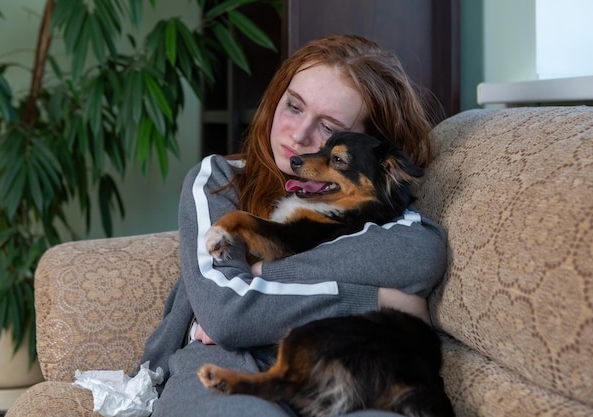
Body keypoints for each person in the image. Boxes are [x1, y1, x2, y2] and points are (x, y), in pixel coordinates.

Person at [140, 34, 447, 417]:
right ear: (277, 98)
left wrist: (259, 272)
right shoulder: (220, 179)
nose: (300, 137)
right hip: (224, 363)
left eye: (328, 128)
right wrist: (377, 298)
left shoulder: (377, 207)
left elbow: (421, 255)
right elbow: (227, 317)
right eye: (294, 106)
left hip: (343, 366)